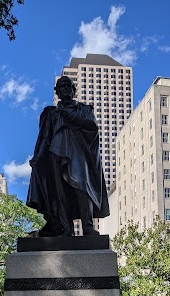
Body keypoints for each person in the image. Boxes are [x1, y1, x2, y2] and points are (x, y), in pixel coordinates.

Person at [27, 75, 109, 237]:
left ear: (74, 90)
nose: (65, 89)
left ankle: (87, 226)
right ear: (56, 91)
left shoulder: (84, 110)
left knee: (82, 188)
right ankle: (66, 228)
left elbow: (92, 127)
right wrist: (38, 157)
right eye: (62, 86)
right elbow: (45, 137)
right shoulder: (50, 113)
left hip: (78, 154)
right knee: (59, 193)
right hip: (55, 155)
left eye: (68, 86)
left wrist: (68, 115)